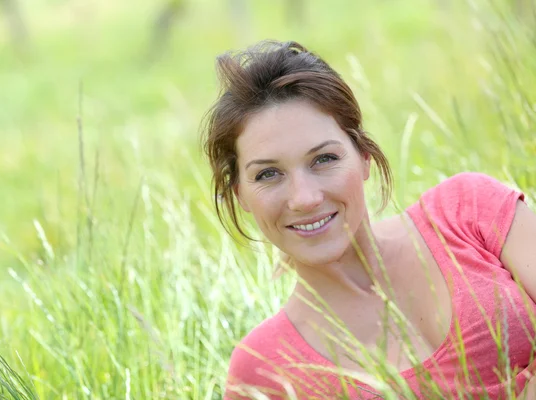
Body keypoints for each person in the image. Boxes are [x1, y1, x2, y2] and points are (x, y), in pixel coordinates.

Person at [201, 40, 536, 399]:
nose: (305, 198)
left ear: (364, 157)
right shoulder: (263, 368)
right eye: (268, 174)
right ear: (240, 194)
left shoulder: (467, 211)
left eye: (324, 159)